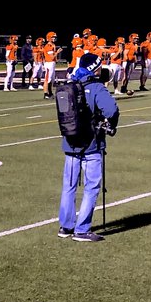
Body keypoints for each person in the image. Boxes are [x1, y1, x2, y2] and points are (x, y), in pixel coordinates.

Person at [57, 58, 120, 243]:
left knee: (69, 186)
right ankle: (82, 229)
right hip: (91, 144)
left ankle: (66, 226)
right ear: (95, 69)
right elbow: (111, 110)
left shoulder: (70, 84)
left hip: (70, 142)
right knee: (91, 186)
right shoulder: (96, 87)